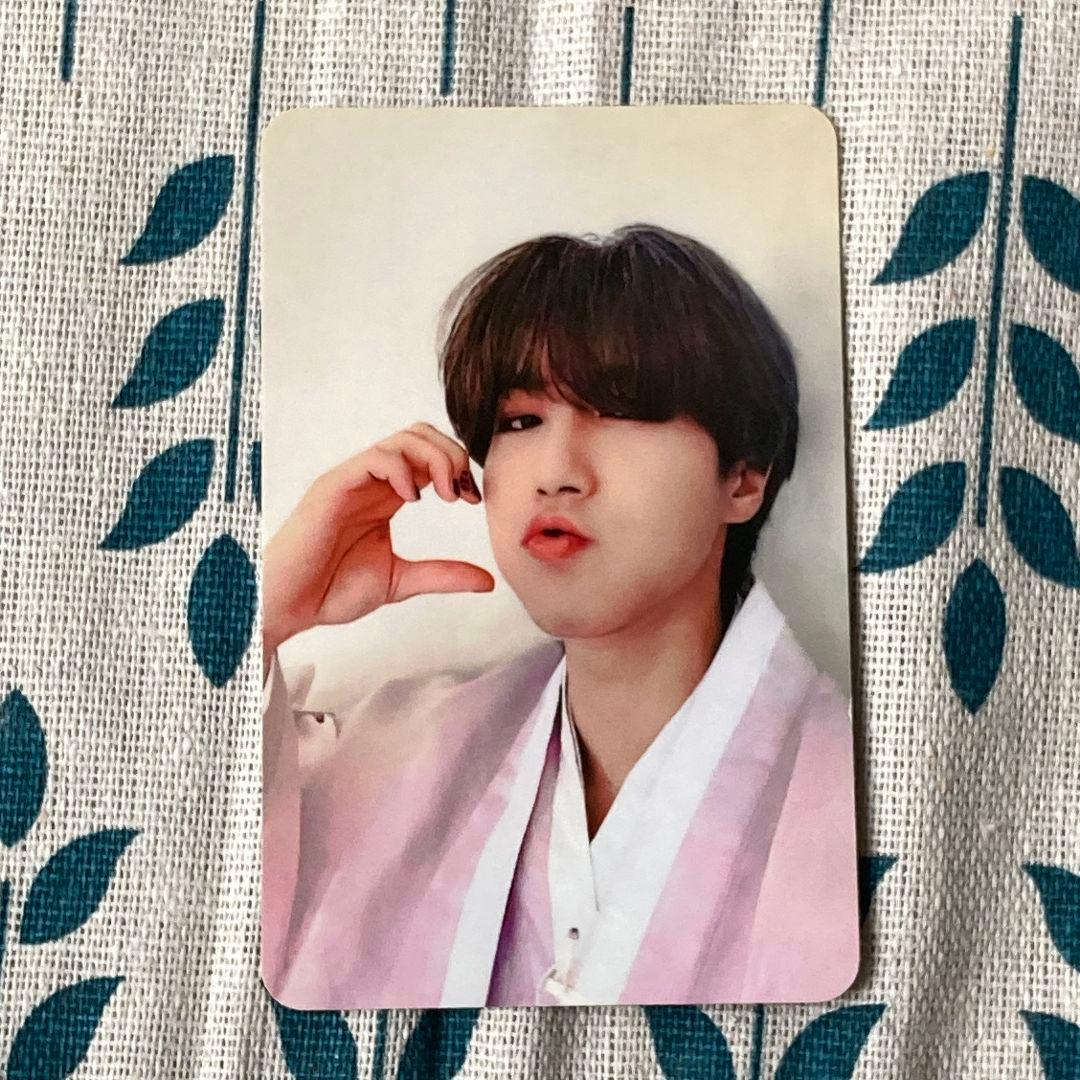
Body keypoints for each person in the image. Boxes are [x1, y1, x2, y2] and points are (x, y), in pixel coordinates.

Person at [261, 223, 859, 1009]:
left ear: (742, 480)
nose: (556, 472)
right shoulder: (384, 758)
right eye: (520, 421)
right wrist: (266, 614)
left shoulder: (861, 794)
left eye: (619, 410)